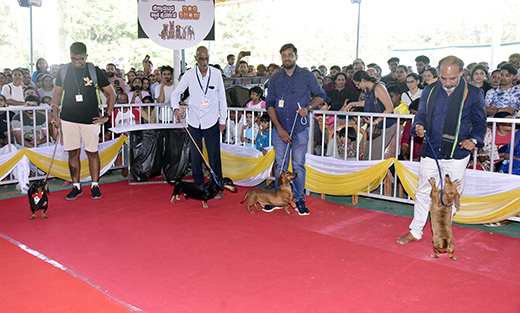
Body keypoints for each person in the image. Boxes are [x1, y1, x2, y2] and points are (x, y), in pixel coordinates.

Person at [397, 55, 487, 245]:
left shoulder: (474, 93)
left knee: (450, 197)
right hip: (431, 148)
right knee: (423, 191)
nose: (447, 83)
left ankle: (443, 233)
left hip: (458, 152)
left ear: (462, 73)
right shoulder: (430, 90)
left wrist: (473, 139)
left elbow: (480, 123)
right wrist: (419, 126)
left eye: (452, 78)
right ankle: (415, 231)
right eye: (443, 78)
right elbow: (420, 115)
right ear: (438, 73)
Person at [264, 43, 326, 215]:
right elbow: (269, 104)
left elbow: (321, 95)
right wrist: (279, 128)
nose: (287, 58)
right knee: (280, 166)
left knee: (298, 165)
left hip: (300, 129)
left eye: (290, 55)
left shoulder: (306, 76)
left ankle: (299, 200)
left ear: (296, 57)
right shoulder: (275, 78)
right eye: (283, 55)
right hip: (279, 130)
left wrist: (308, 108)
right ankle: (277, 199)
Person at [51, 42, 116, 201]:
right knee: (73, 152)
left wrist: (106, 116)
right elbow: (56, 94)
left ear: (86, 56)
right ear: (70, 56)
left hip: (91, 120)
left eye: (80, 59)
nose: (77, 62)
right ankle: (76, 186)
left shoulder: (94, 71)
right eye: (74, 59)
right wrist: (55, 114)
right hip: (68, 119)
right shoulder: (64, 70)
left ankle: (94, 185)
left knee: (92, 152)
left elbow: (112, 94)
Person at [171, 46, 227, 198]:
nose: (204, 62)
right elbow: (175, 94)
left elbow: (222, 98)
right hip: (194, 122)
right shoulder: (189, 75)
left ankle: (217, 188)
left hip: (211, 122)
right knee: (196, 157)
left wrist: (223, 120)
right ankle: (199, 187)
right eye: (201, 59)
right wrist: (176, 108)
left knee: (214, 156)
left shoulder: (216, 74)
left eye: (207, 58)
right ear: (196, 58)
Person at [348, 70, 395, 160]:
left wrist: (376, 121)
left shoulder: (378, 87)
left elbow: (389, 108)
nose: (358, 87)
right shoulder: (369, 90)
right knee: (361, 151)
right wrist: (353, 104)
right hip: (373, 125)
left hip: (385, 126)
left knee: (374, 155)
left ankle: (374, 173)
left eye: (358, 84)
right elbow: (369, 103)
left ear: (363, 80)